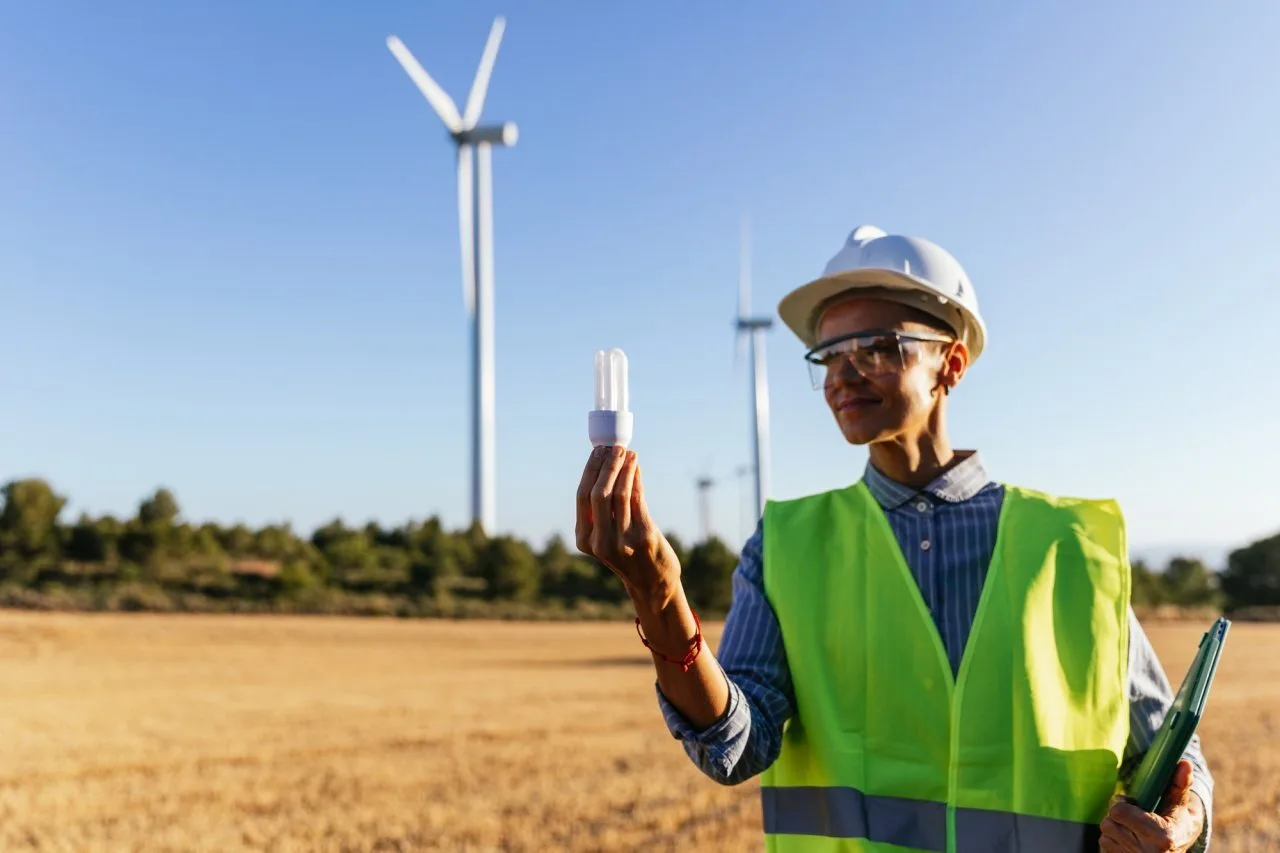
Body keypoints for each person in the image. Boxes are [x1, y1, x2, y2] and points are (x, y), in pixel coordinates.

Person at [575, 224, 1213, 853]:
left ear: (951, 365)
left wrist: (1181, 825)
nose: (841, 376)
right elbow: (736, 747)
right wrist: (657, 595)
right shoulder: (789, 544)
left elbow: (1171, 758)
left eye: (876, 348)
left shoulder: (1072, 545)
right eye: (827, 356)